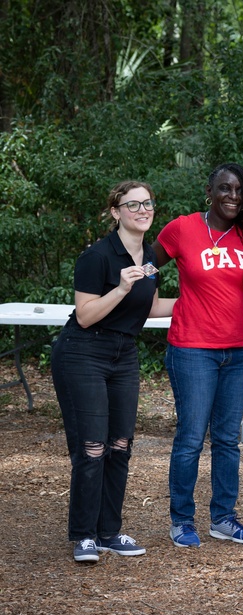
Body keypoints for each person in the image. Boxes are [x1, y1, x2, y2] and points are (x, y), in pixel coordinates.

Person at [52, 181, 176, 563]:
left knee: (120, 446)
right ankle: (84, 535)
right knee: (92, 447)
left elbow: (152, 306)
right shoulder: (98, 257)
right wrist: (121, 288)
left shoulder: (151, 256)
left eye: (148, 203)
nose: (143, 210)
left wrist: (204, 299)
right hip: (83, 352)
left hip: (124, 355)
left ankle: (109, 532)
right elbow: (86, 315)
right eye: (133, 204)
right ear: (116, 212)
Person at [152, 163, 243, 548]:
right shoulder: (182, 228)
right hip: (192, 350)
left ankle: (223, 518)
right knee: (190, 438)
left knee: (229, 440)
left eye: (239, 190)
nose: (232, 196)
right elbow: (146, 265)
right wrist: (146, 301)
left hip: (239, 351)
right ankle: (182, 519)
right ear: (209, 190)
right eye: (224, 188)